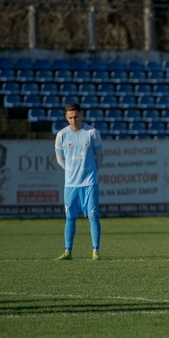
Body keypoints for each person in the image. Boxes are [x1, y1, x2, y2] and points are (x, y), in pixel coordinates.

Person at [55, 102, 104, 260]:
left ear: (81, 115)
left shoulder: (92, 133)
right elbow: (59, 158)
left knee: (93, 217)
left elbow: (100, 157)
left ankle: (95, 251)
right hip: (70, 185)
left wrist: (92, 172)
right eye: (70, 118)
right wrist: (70, 171)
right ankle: (68, 251)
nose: (73, 120)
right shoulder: (62, 135)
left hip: (89, 183)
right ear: (66, 118)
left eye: (76, 117)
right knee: (70, 218)